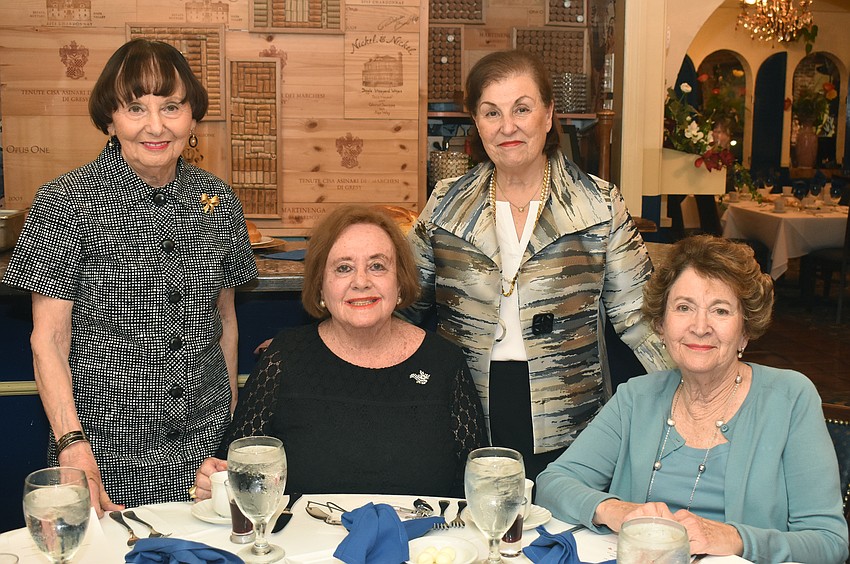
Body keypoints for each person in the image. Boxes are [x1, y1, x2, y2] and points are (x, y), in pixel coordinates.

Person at [2, 39, 258, 515]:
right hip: (104, 456)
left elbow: (225, 324)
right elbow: (48, 341)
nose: (156, 126)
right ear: (110, 119)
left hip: (203, 457)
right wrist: (71, 446)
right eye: (136, 108)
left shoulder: (219, 202)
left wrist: (231, 433)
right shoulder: (64, 203)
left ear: (193, 118)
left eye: (172, 107)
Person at [403, 49, 669, 479]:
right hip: (464, 406)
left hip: (570, 412)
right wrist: (329, 349)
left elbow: (640, 317)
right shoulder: (446, 203)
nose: (507, 126)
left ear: (548, 115)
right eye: (492, 112)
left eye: (521, 109)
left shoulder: (599, 204)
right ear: (476, 123)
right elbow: (403, 304)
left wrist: (697, 390)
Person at [536, 235, 849, 562]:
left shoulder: (790, 399)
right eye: (684, 307)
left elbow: (829, 543)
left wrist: (733, 537)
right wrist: (615, 510)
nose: (700, 327)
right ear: (661, 324)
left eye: (720, 310)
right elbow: (553, 483)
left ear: (745, 330)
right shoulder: (636, 397)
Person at [192, 205, 487, 499]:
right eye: (344, 268)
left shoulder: (444, 362)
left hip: (422, 544)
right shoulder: (284, 358)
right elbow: (235, 472)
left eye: (377, 266)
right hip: (307, 544)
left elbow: (476, 489)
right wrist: (214, 481)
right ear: (321, 287)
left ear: (400, 282)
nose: (361, 281)